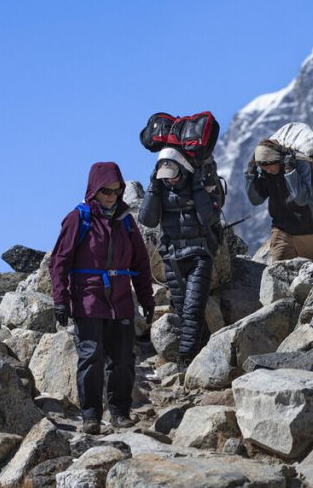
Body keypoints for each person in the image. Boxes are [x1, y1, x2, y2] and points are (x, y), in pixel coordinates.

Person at [49, 162, 155, 435]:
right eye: (106, 191)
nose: (112, 196)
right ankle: (91, 416)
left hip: (120, 301)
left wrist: (147, 299)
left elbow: (141, 264)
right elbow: (59, 261)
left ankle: (120, 413)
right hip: (88, 300)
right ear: (93, 190)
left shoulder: (126, 222)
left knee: (123, 359)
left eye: (117, 191)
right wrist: (60, 299)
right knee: (91, 357)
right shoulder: (78, 219)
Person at [138, 147, 219, 365]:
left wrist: (197, 187)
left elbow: (208, 217)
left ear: (184, 170)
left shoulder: (201, 184)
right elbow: (147, 220)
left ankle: (185, 360)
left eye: (173, 176)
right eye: (165, 177)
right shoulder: (160, 188)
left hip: (198, 255)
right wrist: (153, 187)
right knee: (184, 310)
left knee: (192, 309)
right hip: (172, 256)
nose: (169, 181)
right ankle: (202, 359)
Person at [245, 139, 313, 262]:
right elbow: (256, 200)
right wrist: (250, 172)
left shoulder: (301, 165)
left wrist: (290, 172)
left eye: (268, 166)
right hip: (282, 231)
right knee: (279, 272)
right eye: (262, 167)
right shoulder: (266, 172)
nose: (267, 170)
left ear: (276, 159)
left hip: (311, 231)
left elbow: (302, 199)